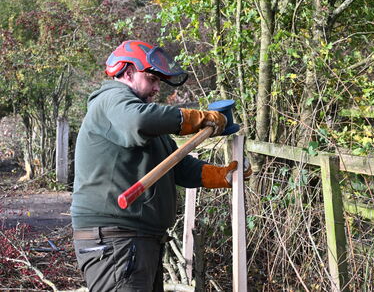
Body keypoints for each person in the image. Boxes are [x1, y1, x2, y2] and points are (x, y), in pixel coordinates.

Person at [71, 40, 251, 291]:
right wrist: (194, 118)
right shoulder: (112, 99)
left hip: (137, 239)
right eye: (152, 79)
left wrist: (220, 175)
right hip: (115, 239)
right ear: (129, 71)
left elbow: (174, 165)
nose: (157, 88)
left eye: (159, 81)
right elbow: (139, 120)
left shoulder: (138, 115)